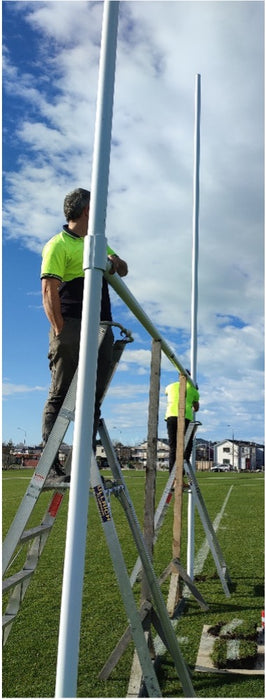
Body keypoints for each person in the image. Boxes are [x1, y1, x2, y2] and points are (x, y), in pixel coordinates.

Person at [41, 187, 128, 481]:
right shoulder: (58, 244)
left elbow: (124, 269)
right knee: (61, 395)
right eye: (98, 209)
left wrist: (115, 262)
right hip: (71, 325)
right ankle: (51, 468)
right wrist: (60, 329)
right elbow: (48, 289)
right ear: (87, 211)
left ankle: (85, 467)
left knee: (92, 399)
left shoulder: (98, 244)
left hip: (101, 328)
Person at [165, 371, 200, 474]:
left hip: (171, 417)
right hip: (185, 417)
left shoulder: (170, 386)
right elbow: (196, 408)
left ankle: (173, 476)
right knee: (187, 446)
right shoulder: (193, 389)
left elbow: (166, 392)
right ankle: (180, 475)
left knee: (173, 447)